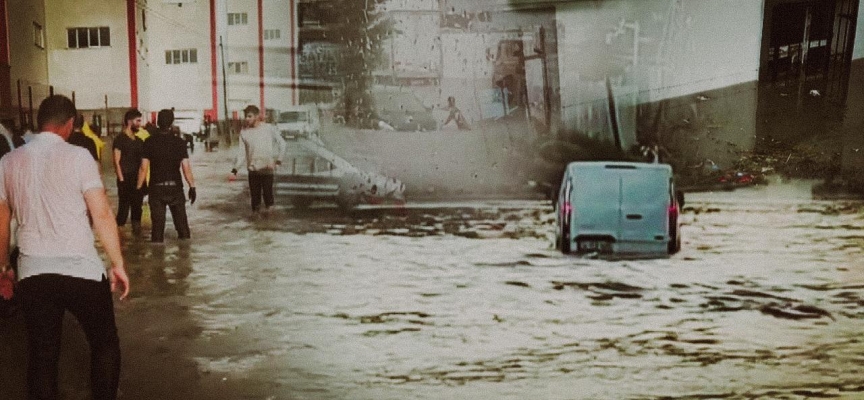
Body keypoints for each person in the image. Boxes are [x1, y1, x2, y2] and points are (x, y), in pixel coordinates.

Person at [0, 94, 130, 400]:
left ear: (38, 122)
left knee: (43, 353)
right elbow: (101, 214)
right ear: (69, 124)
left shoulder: (7, 162)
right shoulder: (79, 157)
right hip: (81, 269)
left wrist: (4, 266)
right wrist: (117, 263)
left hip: (33, 271)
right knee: (104, 343)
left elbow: (2, 221)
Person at [137, 109, 196, 243]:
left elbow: (143, 168)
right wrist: (192, 187)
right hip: (175, 188)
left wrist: (139, 187)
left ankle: (157, 260)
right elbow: (186, 168)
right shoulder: (180, 143)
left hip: (156, 189)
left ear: (157, 122)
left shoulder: (149, 142)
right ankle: (185, 259)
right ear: (171, 122)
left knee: (157, 232)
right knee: (183, 230)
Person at [231, 105, 287, 215]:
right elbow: (242, 154)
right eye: (246, 116)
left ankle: (269, 227)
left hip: (267, 170)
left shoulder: (268, 128)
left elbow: (283, 144)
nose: (247, 119)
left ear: (257, 116)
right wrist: (234, 170)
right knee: (255, 203)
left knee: (269, 201)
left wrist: (278, 161)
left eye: (249, 116)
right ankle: (256, 227)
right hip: (253, 172)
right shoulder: (244, 133)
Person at [113, 109, 147, 231]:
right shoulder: (119, 139)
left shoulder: (140, 141)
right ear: (129, 121)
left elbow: (144, 165)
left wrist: (141, 182)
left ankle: (137, 241)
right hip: (125, 179)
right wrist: (121, 180)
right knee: (123, 210)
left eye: (140, 121)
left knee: (137, 211)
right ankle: (119, 239)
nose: (139, 124)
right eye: (137, 121)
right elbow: (116, 161)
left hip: (137, 179)